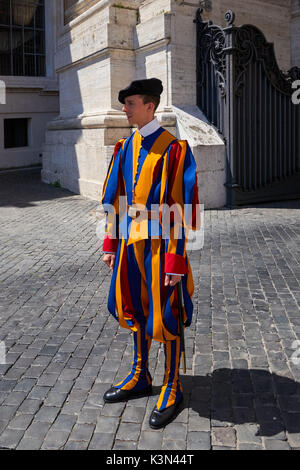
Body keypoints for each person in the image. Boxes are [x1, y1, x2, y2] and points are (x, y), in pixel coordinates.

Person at [101, 78, 200, 429]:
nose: (125, 109)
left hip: (161, 247)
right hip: (130, 244)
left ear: (149, 106)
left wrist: (175, 261)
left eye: (130, 103)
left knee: (167, 314)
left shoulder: (174, 149)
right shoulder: (125, 147)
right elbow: (117, 199)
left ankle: (172, 385)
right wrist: (111, 243)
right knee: (135, 308)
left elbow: (180, 209)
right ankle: (141, 374)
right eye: (125, 103)